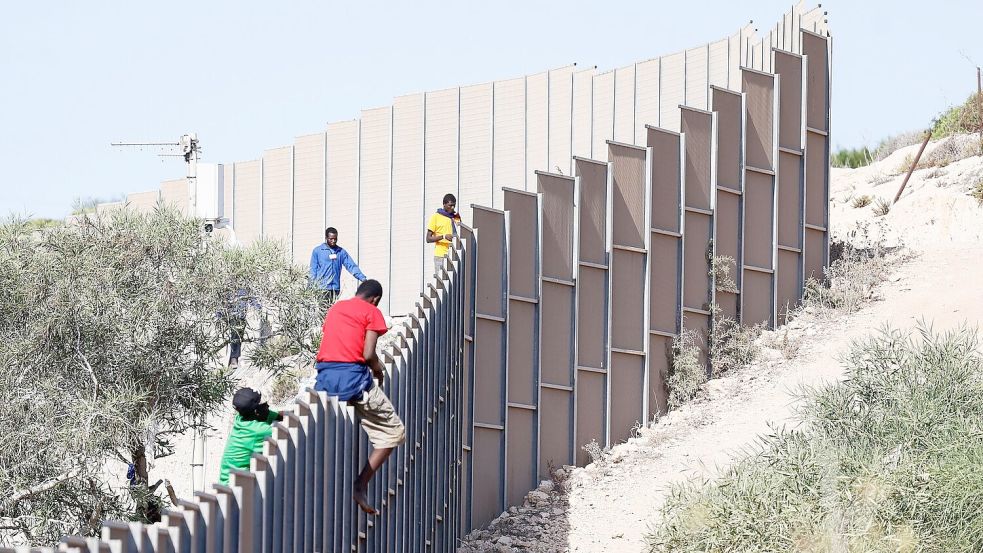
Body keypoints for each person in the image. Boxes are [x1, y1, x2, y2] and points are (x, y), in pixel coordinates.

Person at [314, 279, 405, 515]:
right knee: (394, 432)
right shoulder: (371, 312)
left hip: (324, 380)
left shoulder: (335, 308)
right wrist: (378, 370)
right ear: (375, 299)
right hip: (352, 381)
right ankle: (360, 484)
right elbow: (367, 354)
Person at [218, 388, 284, 485]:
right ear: (256, 412)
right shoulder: (259, 431)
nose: (268, 405)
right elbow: (289, 433)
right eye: (264, 404)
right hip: (234, 488)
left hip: (226, 482)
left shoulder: (241, 418)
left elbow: (278, 415)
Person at [310, 227, 367, 308]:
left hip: (335, 288)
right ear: (326, 238)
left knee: (331, 311)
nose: (333, 241)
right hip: (321, 288)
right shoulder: (318, 251)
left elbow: (351, 266)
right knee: (322, 311)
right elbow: (313, 270)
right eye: (331, 239)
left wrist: (362, 278)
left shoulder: (341, 252)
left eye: (335, 239)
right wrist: (310, 287)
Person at [426, 193, 462, 276]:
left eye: (454, 205)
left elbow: (461, 231)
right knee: (442, 283)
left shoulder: (455, 215)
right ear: (444, 204)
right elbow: (428, 239)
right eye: (450, 205)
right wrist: (443, 236)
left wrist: (456, 218)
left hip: (454, 254)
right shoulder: (436, 217)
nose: (452, 208)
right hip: (441, 255)